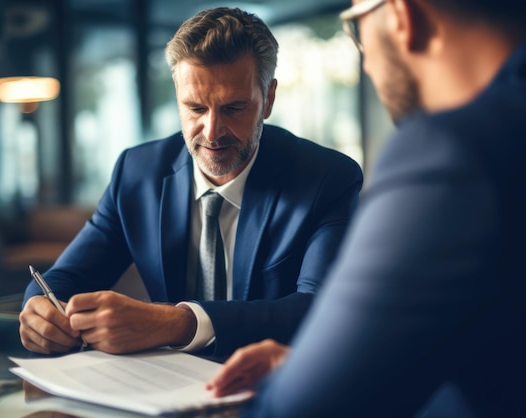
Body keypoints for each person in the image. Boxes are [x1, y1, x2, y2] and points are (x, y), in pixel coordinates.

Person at [206, 0, 526, 416]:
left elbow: (298, 410)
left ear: (401, 16)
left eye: (355, 27)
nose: (367, 63)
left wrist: (301, 379)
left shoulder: (450, 154)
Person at [18, 7, 363, 359]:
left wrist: (179, 322)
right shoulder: (137, 173)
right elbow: (64, 278)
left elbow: (319, 309)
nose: (212, 133)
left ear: (268, 99)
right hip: (163, 391)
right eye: (196, 108)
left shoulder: (327, 179)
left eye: (234, 108)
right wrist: (39, 312)